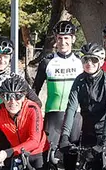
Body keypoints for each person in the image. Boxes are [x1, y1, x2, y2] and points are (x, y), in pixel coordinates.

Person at [32, 21, 83, 150]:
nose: (63, 42)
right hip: (53, 114)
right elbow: (35, 89)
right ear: (55, 39)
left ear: (73, 39)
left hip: (75, 114)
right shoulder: (47, 62)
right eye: (59, 38)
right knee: (48, 155)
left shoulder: (80, 62)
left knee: (71, 158)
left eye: (66, 38)